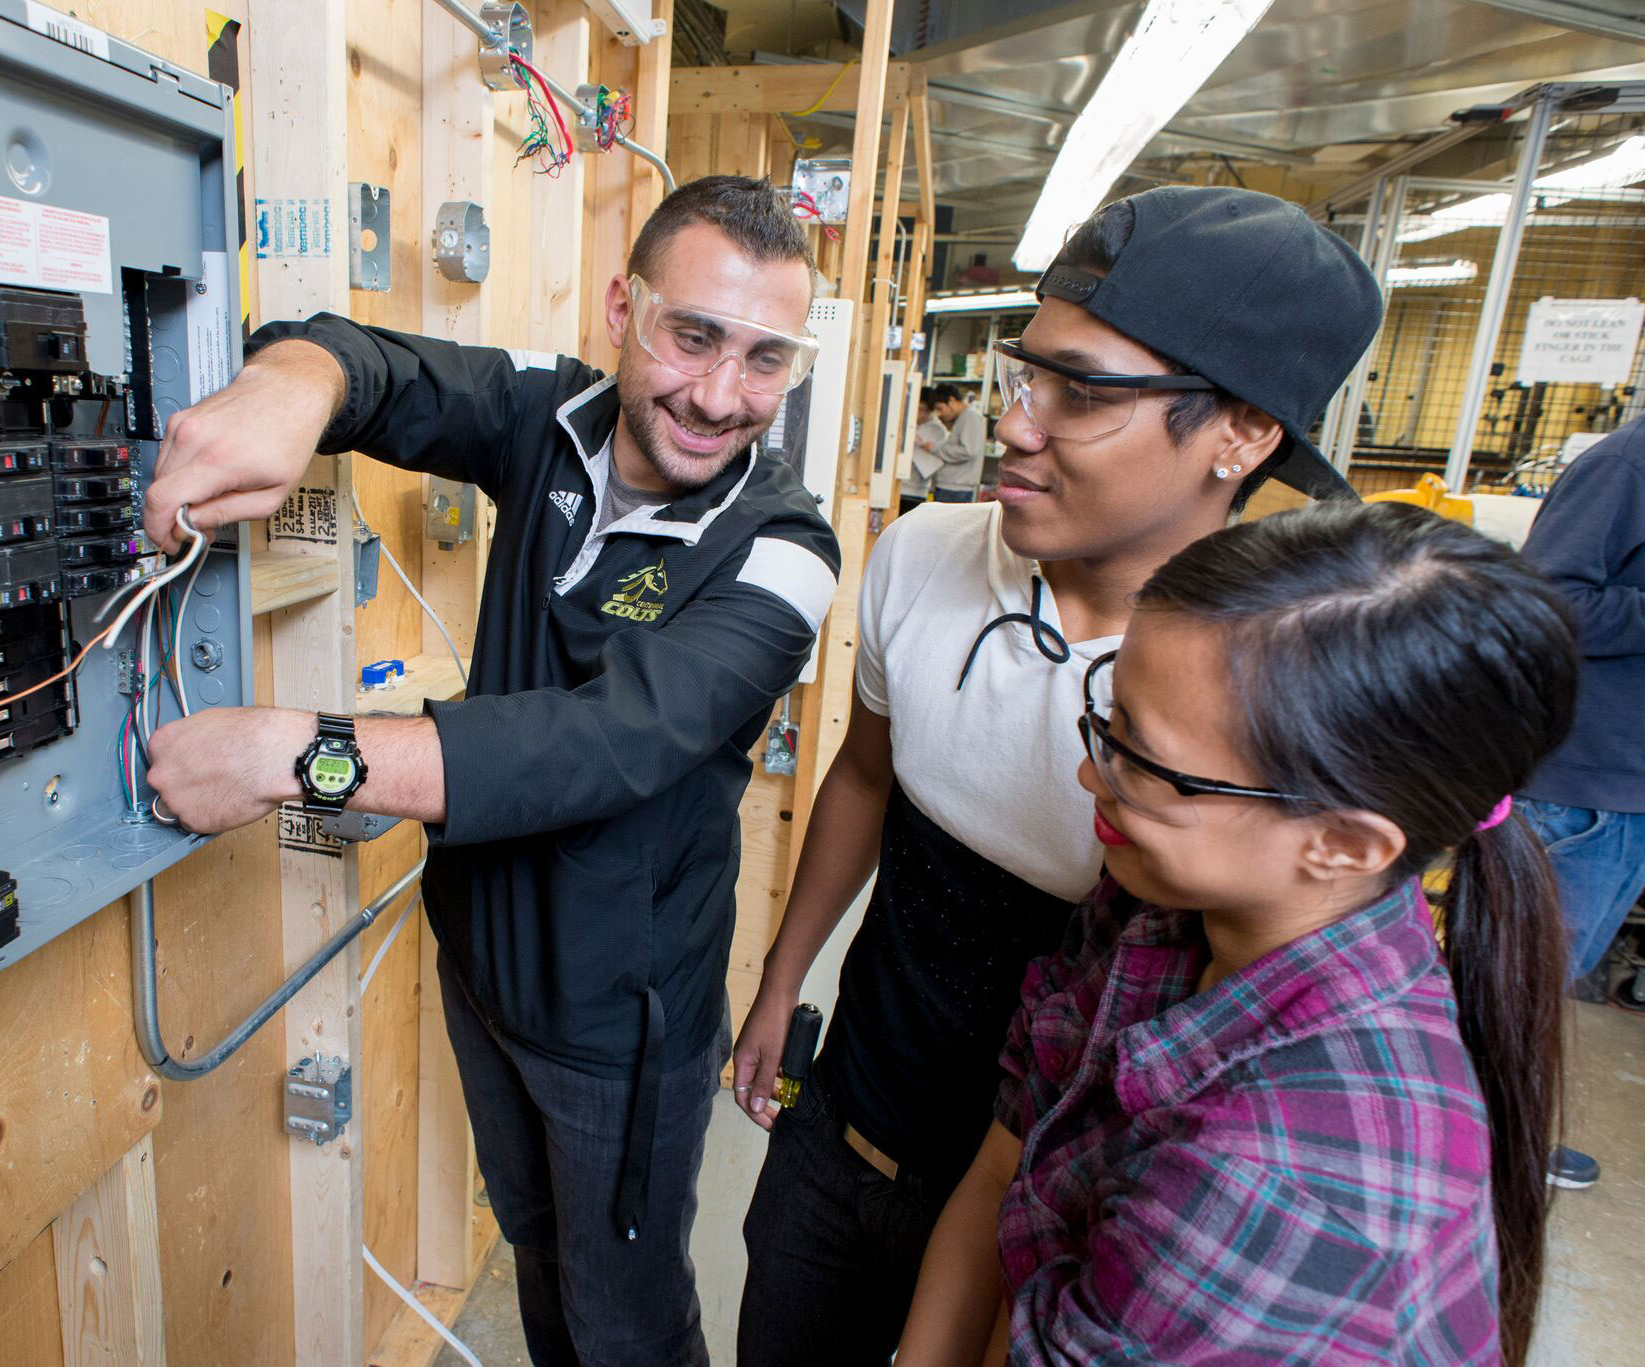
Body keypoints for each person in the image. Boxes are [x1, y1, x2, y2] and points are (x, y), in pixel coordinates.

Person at [141, 175, 842, 1366]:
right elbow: (385, 369)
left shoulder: (785, 553)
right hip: (482, 971)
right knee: (535, 1261)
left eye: (766, 358)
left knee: (624, 1322)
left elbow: (597, 744)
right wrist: (290, 385)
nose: (721, 396)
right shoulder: (550, 412)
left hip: (618, 1029)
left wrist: (281, 753)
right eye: (692, 336)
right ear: (623, 307)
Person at [732, 186, 1382, 1365]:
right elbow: (864, 777)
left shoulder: (1256, 704)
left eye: (1080, 394)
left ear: (1238, 432)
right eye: (1023, 375)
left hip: (1045, 1209)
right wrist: (781, 980)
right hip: (842, 1127)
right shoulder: (925, 555)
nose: (1017, 425)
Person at [895, 501, 1577, 1367]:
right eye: (1114, 722)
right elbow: (1007, 1171)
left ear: (1346, 843)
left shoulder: (1288, 1177)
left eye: (1152, 763)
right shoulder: (1166, 903)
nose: (1089, 770)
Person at [1515, 410, 1645, 1192]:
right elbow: (1548, 594)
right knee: (1518, 985)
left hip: (1624, 786)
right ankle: (1481, 1149)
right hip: (1579, 792)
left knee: (1547, 982)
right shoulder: (1629, 464)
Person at [900, 385, 952, 514]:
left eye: (927, 411)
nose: (923, 415)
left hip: (918, 489)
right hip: (897, 487)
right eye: (920, 409)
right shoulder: (903, 422)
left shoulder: (937, 429)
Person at [929, 389, 988, 502]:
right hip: (952, 485)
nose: (939, 414)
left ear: (951, 400)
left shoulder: (970, 416)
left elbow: (968, 450)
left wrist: (936, 449)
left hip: (955, 488)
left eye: (940, 408)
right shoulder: (964, 416)